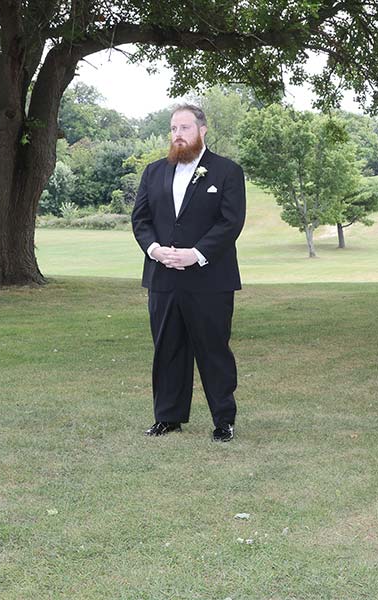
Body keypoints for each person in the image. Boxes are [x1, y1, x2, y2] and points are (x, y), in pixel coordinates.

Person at [132, 104, 246, 441]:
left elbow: (230, 222)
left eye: (184, 127)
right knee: (167, 348)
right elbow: (141, 220)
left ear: (202, 130)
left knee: (213, 350)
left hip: (209, 279)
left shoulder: (226, 171)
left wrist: (195, 255)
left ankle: (223, 421)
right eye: (173, 128)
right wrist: (155, 250)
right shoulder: (153, 172)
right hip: (163, 278)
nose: (178, 135)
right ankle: (168, 416)